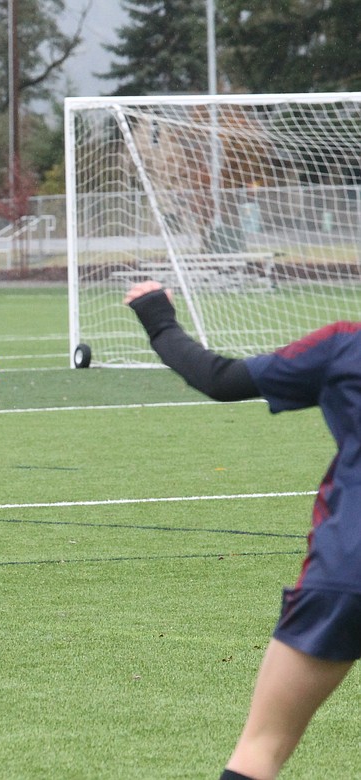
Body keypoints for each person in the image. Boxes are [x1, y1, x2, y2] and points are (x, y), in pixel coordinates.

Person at [125, 280, 361, 780]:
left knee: (262, 747)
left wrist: (156, 315)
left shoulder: (346, 347)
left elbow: (219, 378)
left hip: (347, 571)